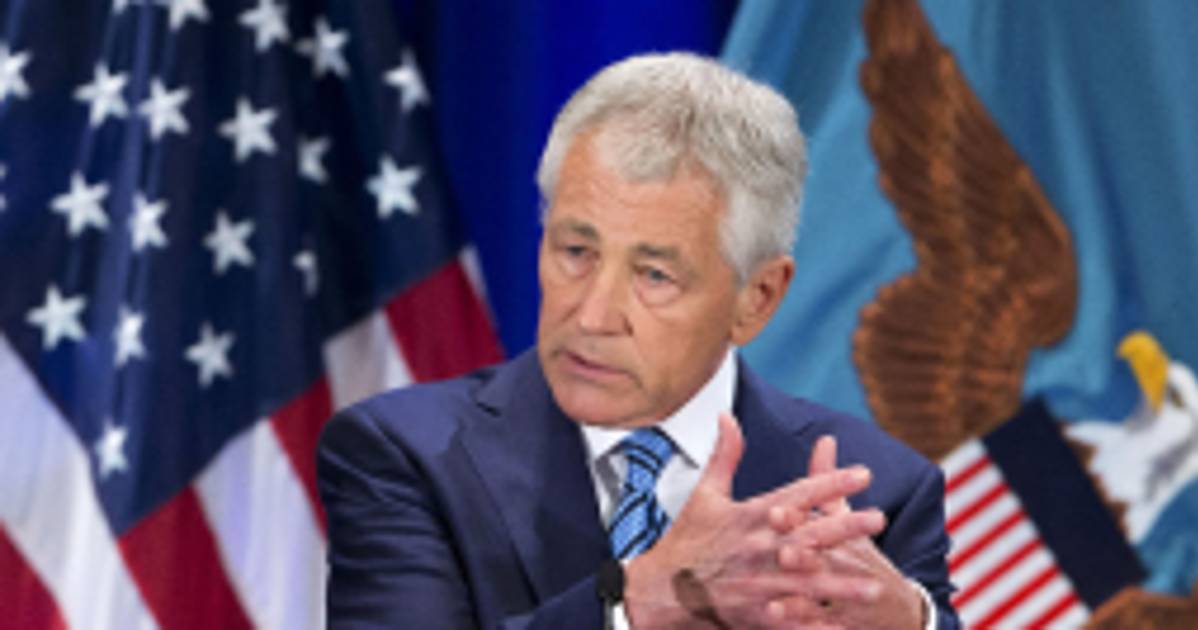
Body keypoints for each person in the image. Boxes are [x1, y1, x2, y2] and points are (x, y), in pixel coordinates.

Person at [318, 52, 959, 629]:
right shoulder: (405, 457)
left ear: (757, 298)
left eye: (655, 275)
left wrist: (912, 623)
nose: (593, 315)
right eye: (575, 251)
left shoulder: (879, 495)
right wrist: (636, 605)